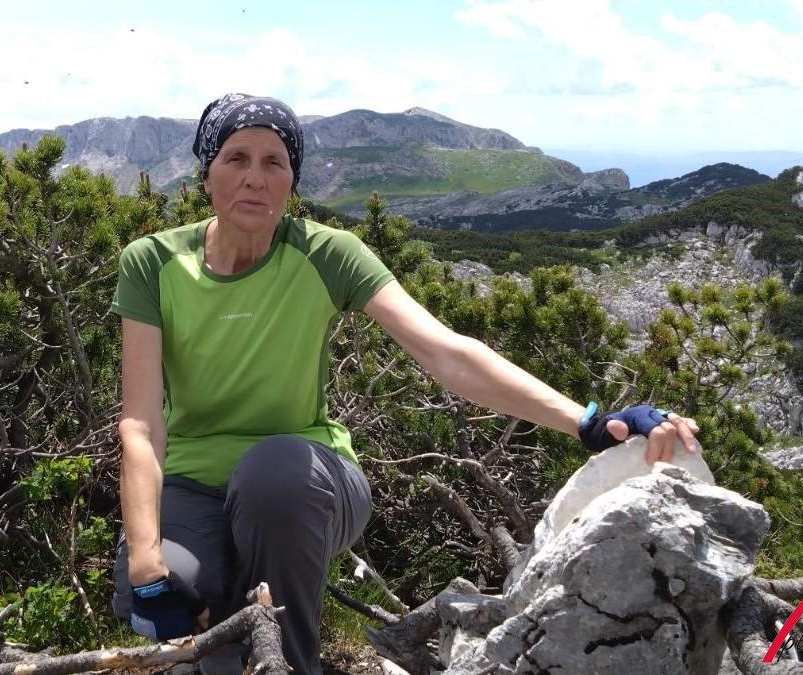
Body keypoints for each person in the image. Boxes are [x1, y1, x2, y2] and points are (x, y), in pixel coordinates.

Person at [108, 93, 701, 675]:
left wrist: (589, 422)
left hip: (303, 479)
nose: (255, 178)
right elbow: (140, 423)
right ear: (206, 173)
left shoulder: (326, 254)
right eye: (236, 158)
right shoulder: (153, 263)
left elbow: (448, 353)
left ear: (293, 180)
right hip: (191, 482)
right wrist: (145, 563)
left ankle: (291, 665)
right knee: (168, 587)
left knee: (274, 479)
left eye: (274, 162)